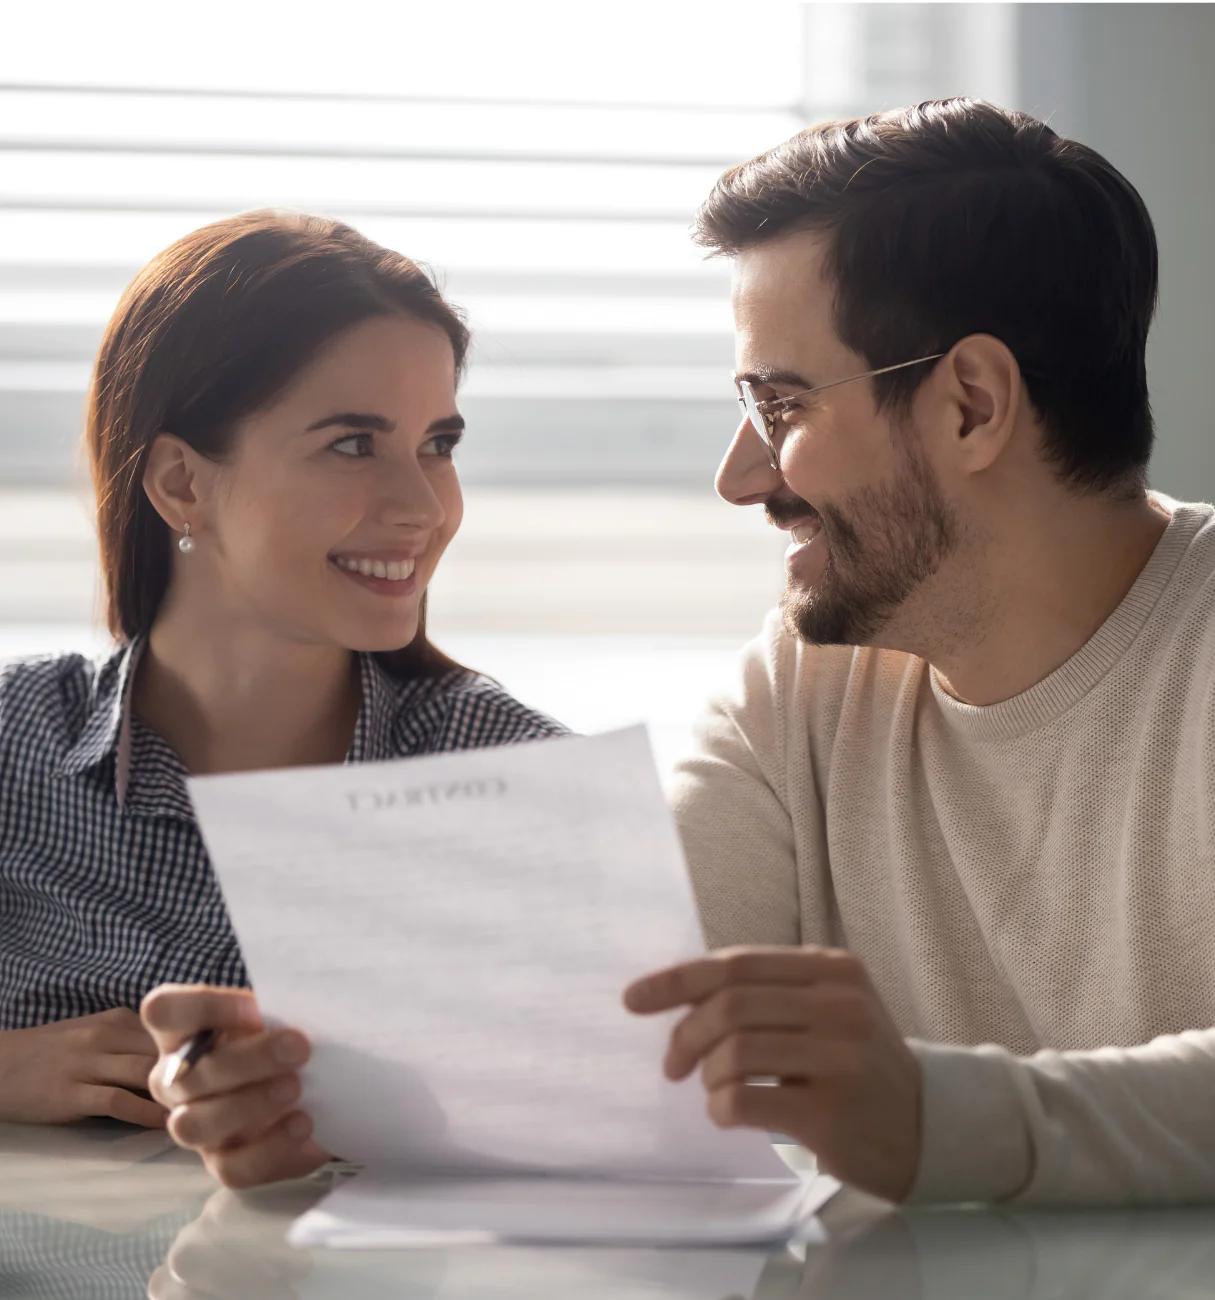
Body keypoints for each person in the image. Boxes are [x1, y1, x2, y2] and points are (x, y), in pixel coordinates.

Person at [623, 98, 1215, 1206]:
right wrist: (326, 1093)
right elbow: (621, 1017)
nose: (740, 477)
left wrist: (935, 1117)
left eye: (780, 403)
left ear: (971, 405)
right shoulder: (803, 685)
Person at [0, 211, 564, 1183]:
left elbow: (606, 1141)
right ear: (181, 483)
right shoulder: (16, 740)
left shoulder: (511, 778)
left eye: (438, 443)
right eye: (354, 445)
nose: (424, 507)